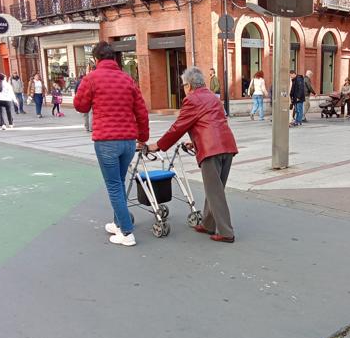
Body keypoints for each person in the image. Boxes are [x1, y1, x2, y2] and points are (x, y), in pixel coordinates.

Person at [148, 67, 238, 243]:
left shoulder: (192, 99)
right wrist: (196, 142)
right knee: (215, 189)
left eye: (183, 85)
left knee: (215, 191)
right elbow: (211, 123)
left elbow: (178, 127)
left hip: (211, 150)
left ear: (188, 85)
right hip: (226, 146)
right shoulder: (213, 96)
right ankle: (208, 224)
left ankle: (226, 232)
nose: (183, 88)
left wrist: (158, 145)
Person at [74, 41, 149, 247]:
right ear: (114, 58)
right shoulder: (128, 80)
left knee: (114, 186)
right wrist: (143, 137)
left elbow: (80, 106)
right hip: (127, 142)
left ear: (96, 59)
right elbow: (141, 112)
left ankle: (126, 232)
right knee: (120, 181)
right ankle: (118, 223)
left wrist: (84, 82)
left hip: (106, 140)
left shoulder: (91, 79)